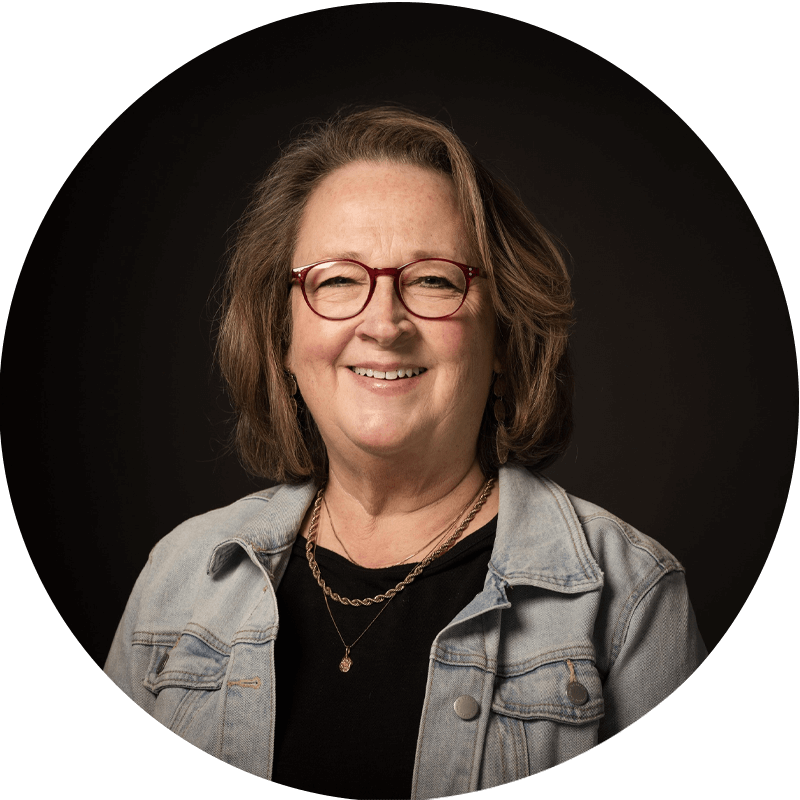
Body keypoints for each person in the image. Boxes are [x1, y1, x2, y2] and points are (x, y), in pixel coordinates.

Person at [104, 106, 707, 799]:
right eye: (335, 280)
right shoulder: (178, 580)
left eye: (432, 280)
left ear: (505, 338)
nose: (384, 324)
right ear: (283, 339)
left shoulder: (630, 599)